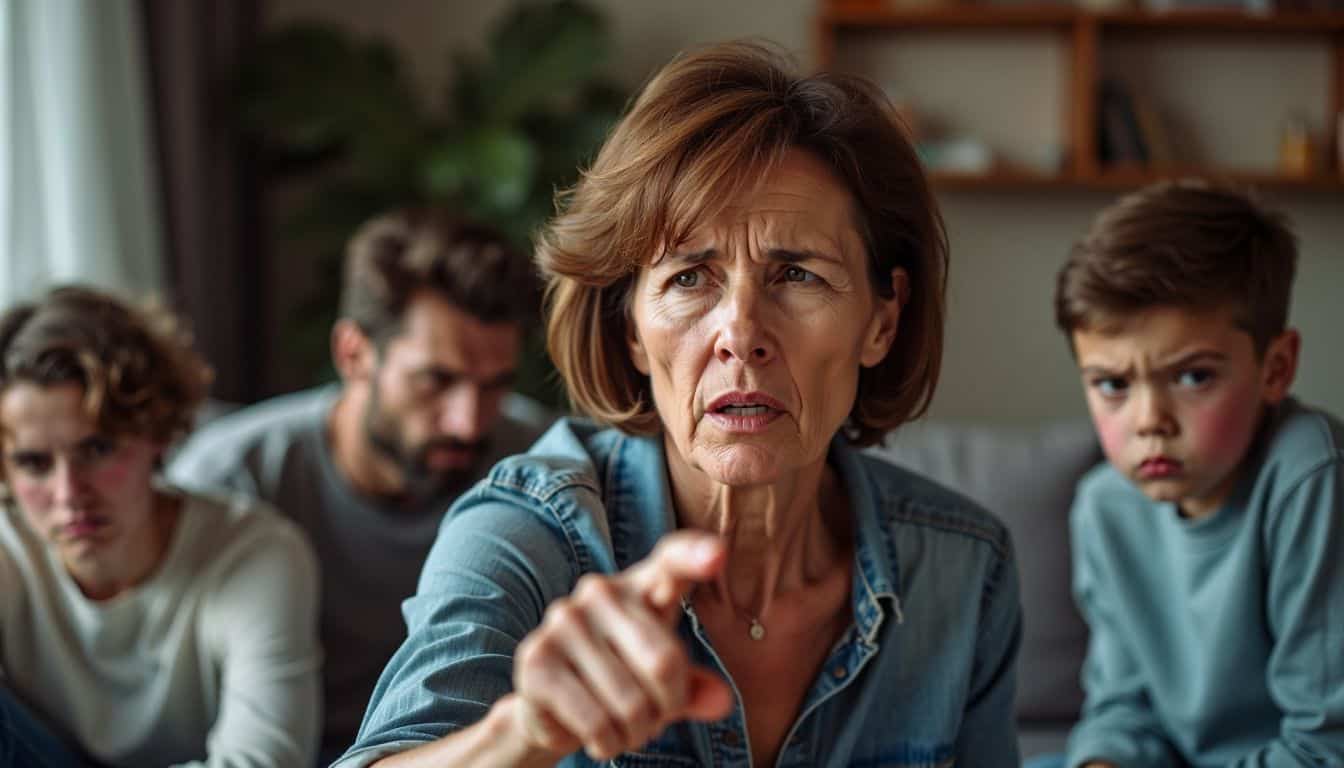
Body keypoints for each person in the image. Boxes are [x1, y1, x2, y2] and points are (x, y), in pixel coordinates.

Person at [336, 41, 1022, 768]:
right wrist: (525, 735)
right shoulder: (529, 534)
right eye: (691, 277)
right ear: (630, 328)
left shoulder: (963, 566)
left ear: (882, 321)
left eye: (796, 273)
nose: (742, 336)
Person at [167, 207, 551, 759]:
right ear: (353, 354)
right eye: (436, 380)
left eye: (494, 385)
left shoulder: (535, 466)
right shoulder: (233, 480)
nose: (469, 421)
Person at [1046, 180, 1344, 767]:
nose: (1150, 421)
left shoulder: (1310, 476)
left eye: (1193, 377)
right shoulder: (1105, 505)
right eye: (1112, 385)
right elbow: (1122, 708)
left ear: (1276, 368)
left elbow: (1326, 747)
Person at [0, 285, 321, 767]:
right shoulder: (9, 549)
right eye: (33, 462)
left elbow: (264, 762)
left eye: (97, 450)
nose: (69, 495)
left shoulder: (255, 553)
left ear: (155, 433)